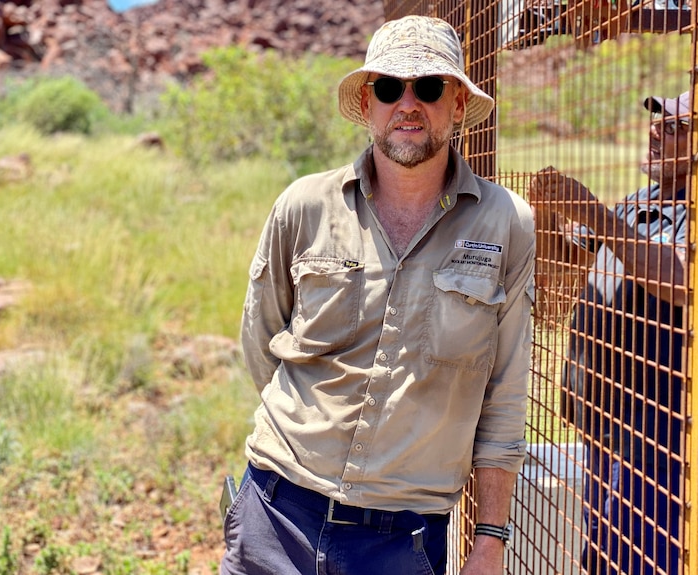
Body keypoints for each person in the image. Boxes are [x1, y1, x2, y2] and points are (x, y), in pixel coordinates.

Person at [220, 15, 537, 575]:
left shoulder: (505, 224)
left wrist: (489, 540)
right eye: (390, 87)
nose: (408, 104)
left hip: (403, 539)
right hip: (278, 513)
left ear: (458, 104)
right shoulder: (304, 206)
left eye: (430, 88)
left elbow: (506, 394)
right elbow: (261, 343)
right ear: (368, 104)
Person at [530, 91, 691, 574]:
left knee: (639, 559)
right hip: (603, 427)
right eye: (657, 118)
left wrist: (595, 213)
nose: (657, 129)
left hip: (656, 440)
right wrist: (547, 212)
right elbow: (559, 281)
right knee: (602, 556)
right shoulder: (639, 202)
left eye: (677, 125)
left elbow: (681, 280)